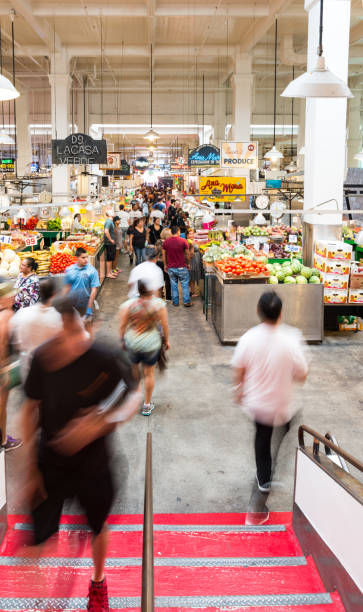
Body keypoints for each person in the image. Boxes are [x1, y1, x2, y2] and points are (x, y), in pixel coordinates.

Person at [21, 295, 140, 611]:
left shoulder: (105, 357)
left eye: (73, 327)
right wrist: (29, 468)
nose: (67, 339)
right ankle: (45, 600)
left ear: (86, 325)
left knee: (98, 525)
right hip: (51, 460)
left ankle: (98, 582)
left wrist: (98, 422)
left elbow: (132, 393)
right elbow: (29, 410)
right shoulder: (44, 358)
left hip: (93, 463)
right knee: (39, 535)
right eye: (62, 328)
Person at [231, 291, 308, 498]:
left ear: (258, 311)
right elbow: (302, 374)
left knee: (262, 439)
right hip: (282, 402)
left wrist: (239, 389)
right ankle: (282, 431)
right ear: (281, 314)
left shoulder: (248, 338)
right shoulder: (291, 339)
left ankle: (264, 479)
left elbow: (239, 369)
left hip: (258, 404)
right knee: (279, 428)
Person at [120, 280, 169, 416]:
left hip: (132, 343)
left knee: (135, 373)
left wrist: (122, 339)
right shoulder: (159, 304)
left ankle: (135, 401)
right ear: (151, 290)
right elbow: (164, 325)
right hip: (151, 344)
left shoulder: (128, 305)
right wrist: (167, 340)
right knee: (149, 374)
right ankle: (146, 405)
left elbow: (123, 325)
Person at [10, 278, 62, 382]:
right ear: (54, 294)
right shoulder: (57, 319)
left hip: (27, 369)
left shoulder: (22, 313)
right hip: (48, 372)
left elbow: (15, 343)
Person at [0, 280, 21, 451]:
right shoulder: (6, 315)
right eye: (10, 296)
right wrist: (4, 369)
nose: (13, 297)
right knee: (1, 404)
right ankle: (3, 440)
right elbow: (1, 345)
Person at [64, 247, 100, 317]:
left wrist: (89, 307)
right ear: (77, 258)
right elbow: (67, 287)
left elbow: (94, 290)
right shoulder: (70, 270)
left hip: (85, 305)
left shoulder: (92, 271)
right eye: (83, 257)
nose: (86, 260)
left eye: (87, 257)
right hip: (72, 305)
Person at [162, 226, 192, 307]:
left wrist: (165, 265)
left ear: (171, 232)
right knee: (185, 284)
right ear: (178, 232)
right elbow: (187, 254)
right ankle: (186, 301)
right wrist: (188, 263)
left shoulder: (166, 242)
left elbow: (163, 255)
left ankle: (175, 302)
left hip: (171, 268)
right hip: (182, 267)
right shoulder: (183, 241)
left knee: (173, 285)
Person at [186, 228, 201, 297]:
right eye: (190, 233)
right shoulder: (188, 242)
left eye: (192, 233)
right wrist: (192, 246)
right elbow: (190, 254)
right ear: (187, 235)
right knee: (191, 276)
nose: (191, 235)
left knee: (194, 276)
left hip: (196, 259)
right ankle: (191, 292)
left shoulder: (194, 241)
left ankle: (192, 291)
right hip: (191, 260)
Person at [104, 211, 118, 280]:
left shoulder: (110, 221)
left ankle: (110, 272)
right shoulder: (109, 222)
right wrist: (111, 240)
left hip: (111, 243)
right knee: (109, 259)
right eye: (112, 212)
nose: (114, 212)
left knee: (111, 258)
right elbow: (106, 231)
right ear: (109, 214)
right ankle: (108, 274)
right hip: (109, 243)